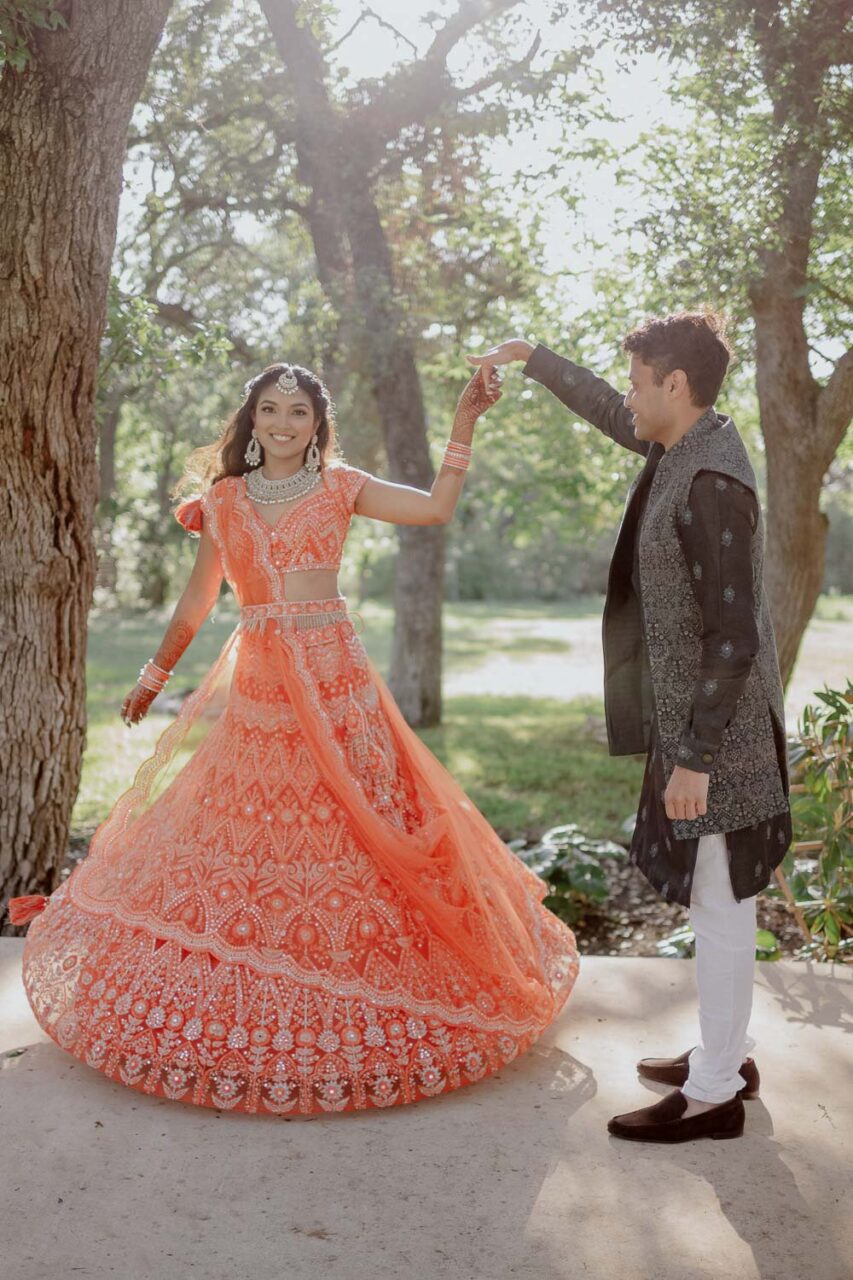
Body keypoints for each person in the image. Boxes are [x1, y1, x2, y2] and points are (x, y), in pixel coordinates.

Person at [8, 361, 579, 1116]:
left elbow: (437, 509)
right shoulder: (223, 501)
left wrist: (464, 425)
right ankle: (249, 993)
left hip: (335, 674)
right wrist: (152, 676)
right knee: (253, 835)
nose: (283, 424)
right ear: (252, 420)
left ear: (317, 425)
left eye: (299, 412)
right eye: (271, 410)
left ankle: (370, 987)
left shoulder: (342, 486)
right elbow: (198, 599)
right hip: (262, 683)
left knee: (355, 823)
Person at [468, 313, 791, 1143]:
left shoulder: (711, 480)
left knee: (718, 904)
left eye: (639, 379)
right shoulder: (682, 441)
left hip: (719, 739)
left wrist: (695, 761)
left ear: (673, 386)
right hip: (701, 726)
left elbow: (734, 636)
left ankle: (716, 1094)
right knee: (723, 900)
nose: (629, 397)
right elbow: (614, 415)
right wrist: (533, 359)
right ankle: (729, 1051)